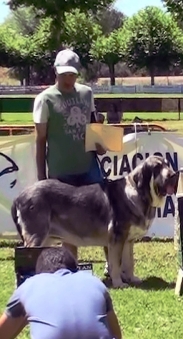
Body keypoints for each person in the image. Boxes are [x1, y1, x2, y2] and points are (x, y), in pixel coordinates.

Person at [33, 49, 107, 264]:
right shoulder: (44, 99)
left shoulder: (86, 93)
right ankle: (71, 268)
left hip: (88, 167)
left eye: (72, 75)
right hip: (61, 172)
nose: (68, 79)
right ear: (55, 71)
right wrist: (41, 178)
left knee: (105, 215)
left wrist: (100, 144)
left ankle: (113, 268)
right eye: (64, 74)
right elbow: (40, 140)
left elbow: (93, 125)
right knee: (69, 224)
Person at [0, 247, 122, 339]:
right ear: (75, 269)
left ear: (39, 273)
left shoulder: (29, 285)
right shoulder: (95, 282)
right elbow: (116, 335)